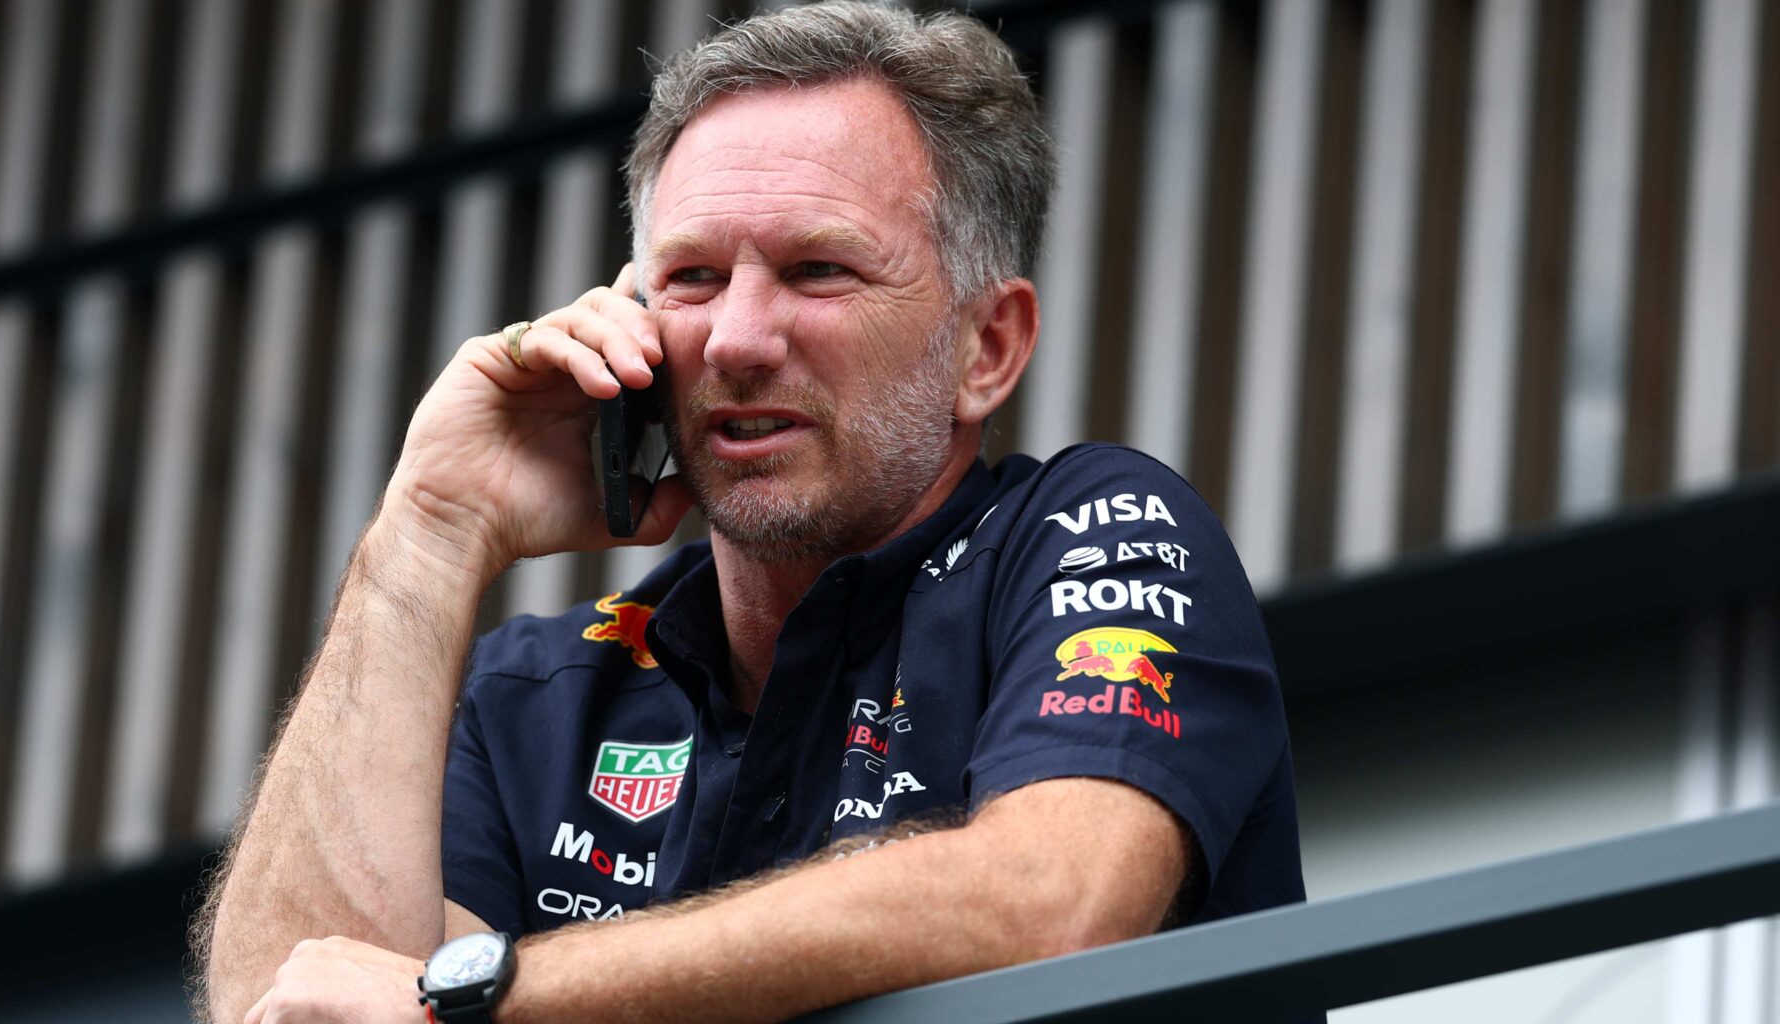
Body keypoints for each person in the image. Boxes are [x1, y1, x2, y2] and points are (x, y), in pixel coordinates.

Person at [195, 3, 1309, 1022]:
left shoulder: (1095, 529)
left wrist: (486, 996)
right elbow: (289, 1003)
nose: (736, 339)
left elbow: (1051, 900)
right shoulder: (539, 693)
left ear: (988, 346)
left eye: (818, 270)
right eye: (691, 278)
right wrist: (430, 530)